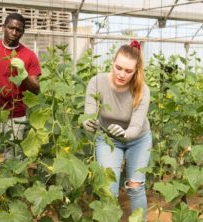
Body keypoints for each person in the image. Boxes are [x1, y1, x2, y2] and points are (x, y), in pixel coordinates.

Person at [83, 40, 151, 220]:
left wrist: (125, 133)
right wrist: (88, 123)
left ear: (136, 70)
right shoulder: (97, 82)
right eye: (118, 67)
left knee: (135, 186)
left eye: (128, 71)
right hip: (108, 139)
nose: (122, 74)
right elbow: (88, 113)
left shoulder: (142, 89)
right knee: (108, 188)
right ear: (112, 62)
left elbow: (136, 126)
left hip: (138, 140)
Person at [0, 13, 41, 151]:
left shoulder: (29, 55)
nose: (14, 32)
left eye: (19, 30)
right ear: (3, 27)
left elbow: (36, 89)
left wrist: (24, 74)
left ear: (23, 32)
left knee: (13, 158)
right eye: (11, 28)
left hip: (16, 116)